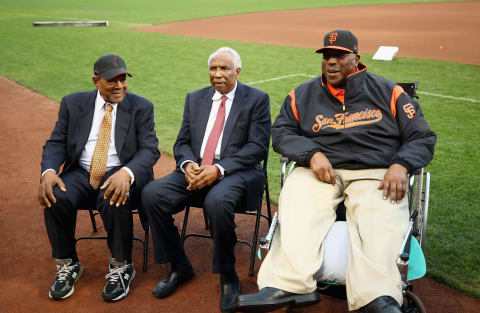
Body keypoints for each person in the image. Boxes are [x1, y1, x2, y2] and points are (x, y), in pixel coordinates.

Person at [236, 30, 436, 313]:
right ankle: (287, 285)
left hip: (375, 171)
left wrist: (401, 163)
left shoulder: (388, 92)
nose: (331, 62)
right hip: (320, 171)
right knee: (296, 201)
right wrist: (311, 153)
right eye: (326, 56)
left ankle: (376, 297)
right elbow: (280, 133)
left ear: (356, 58)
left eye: (339, 56)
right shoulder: (302, 95)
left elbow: (422, 137)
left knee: (380, 217)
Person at [141, 47, 271, 312]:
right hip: (196, 170)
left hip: (237, 172)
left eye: (224, 68)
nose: (217, 74)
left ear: (238, 71)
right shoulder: (195, 99)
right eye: (213, 68)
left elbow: (257, 148)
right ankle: (179, 266)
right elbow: (182, 142)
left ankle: (228, 276)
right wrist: (188, 164)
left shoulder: (256, 99)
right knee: (152, 194)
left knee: (217, 200)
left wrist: (219, 169)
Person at [38, 54, 160, 302]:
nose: (119, 86)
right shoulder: (73, 103)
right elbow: (56, 142)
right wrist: (48, 172)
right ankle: (68, 264)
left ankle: (121, 265)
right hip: (82, 172)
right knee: (54, 195)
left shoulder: (141, 106)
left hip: (121, 171)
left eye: (123, 79)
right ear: (96, 81)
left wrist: (127, 173)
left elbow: (150, 149)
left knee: (113, 195)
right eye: (112, 80)